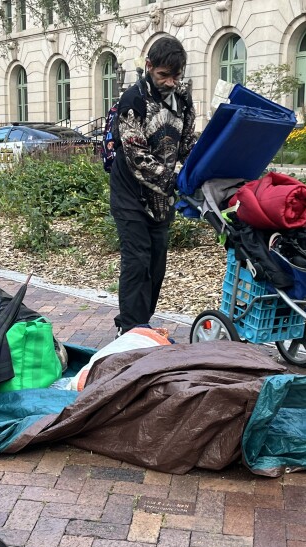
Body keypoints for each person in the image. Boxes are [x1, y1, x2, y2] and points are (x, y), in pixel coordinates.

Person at [110, 36, 196, 336]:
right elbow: (136, 155)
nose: (170, 82)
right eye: (163, 75)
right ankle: (131, 329)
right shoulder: (133, 99)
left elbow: (186, 146)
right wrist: (175, 181)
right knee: (137, 261)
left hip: (162, 200)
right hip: (130, 194)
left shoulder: (183, 100)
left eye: (176, 76)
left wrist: (205, 165)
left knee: (156, 265)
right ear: (149, 67)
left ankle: (141, 323)